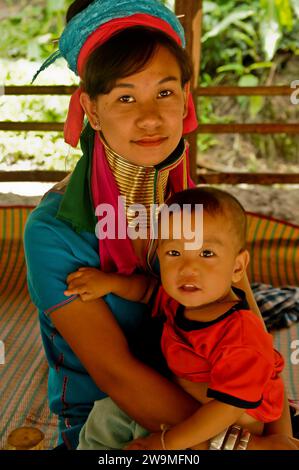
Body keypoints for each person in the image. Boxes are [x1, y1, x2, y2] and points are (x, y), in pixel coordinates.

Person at [24, 0, 298, 450]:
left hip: (220, 405)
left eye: (165, 93)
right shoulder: (53, 233)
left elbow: (246, 323)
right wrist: (250, 446)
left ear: (186, 97)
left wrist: (277, 430)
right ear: (91, 110)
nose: (150, 118)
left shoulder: (194, 205)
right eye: (125, 97)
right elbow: (118, 375)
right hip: (115, 423)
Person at [67, 187, 285, 450]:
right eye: (174, 253)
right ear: (159, 256)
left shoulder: (238, 332)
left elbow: (228, 407)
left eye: (206, 253)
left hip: (226, 430)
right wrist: (111, 283)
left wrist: (166, 443)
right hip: (182, 413)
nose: (188, 268)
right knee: (106, 415)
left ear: (237, 266)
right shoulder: (179, 302)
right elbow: (147, 291)